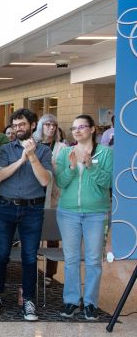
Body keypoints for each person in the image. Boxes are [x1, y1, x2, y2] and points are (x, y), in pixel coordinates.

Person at [0, 108, 52, 321]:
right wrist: (21, 159)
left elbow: (44, 181)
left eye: (21, 124)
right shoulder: (5, 149)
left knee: (29, 256)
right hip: (5, 207)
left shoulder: (44, 151)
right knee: (2, 254)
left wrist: (31, 156)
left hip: (33, 209)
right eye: (15, 125)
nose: (17, 129)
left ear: (32, 125)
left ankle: (29, 300)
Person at [55, 114, 113, 320]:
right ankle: (71, 301)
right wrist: (72, 168)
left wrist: (90, 165)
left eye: (81, 127)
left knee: (93, 260)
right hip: (68, 213)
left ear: (92, 129)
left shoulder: (105, 153)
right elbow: (60, 182)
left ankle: (90, 303)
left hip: (96, 214)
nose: (77, 131)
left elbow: (107, 182)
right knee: (70, 259)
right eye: (73, 128)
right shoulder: (65, 153)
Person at [33, 113, 67, 283]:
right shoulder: (34, 144)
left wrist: (53, 165)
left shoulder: (61, 147)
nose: (51, 128)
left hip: (54, 193)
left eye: (54, 125)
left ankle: (49, 273)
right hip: (35, 191)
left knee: (52, 236)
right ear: (41, 126)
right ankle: (33, 268)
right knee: (33, 234)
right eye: (47, 124)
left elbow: (63, 170)